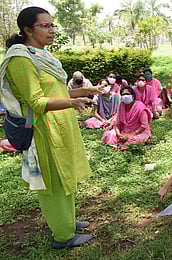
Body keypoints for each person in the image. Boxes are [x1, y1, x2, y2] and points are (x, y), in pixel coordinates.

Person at [1, 6, 98, 248]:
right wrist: (72, 102)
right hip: (43, 129)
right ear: (27, 29)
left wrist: (84, 91)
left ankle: (68, 220)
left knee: (66, 173)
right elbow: (36, 101)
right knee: (53, 181)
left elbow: (55, 91)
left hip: (62, 124)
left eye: (52, 25)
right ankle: (63, 236)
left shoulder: (43, 56)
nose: (51, 30)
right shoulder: (20, 58)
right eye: (45, 26)